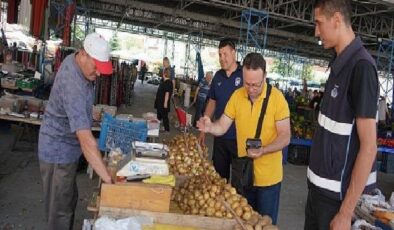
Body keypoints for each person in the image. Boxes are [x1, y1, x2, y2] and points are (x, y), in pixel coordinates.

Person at [305, 1, 379, 229]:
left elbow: (369, 146)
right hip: (318, 194)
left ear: (337, 19)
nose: (316, 32)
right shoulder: (339, 64)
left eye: (319, 23)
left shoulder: (362, 68)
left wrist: (346, 213)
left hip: (337, 202)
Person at [198, 53, 290, 224]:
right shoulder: (237, 96)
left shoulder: (278, 99)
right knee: (243, 223)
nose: (251, 88)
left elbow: (285, 136)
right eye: (247, 83)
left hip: (268, 180)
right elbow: (223, 126)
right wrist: (210, 127)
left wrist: (264, 150)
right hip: (244, 175)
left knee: (265, 225)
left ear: (265, 76)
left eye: (256, 84)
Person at [38, 33, 113, 230]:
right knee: (59, 211)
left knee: (68, 200)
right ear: (83, 54)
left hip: (67, 150)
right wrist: (107, 179)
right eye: (96, 66)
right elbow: (86, 140)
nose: (98, 73)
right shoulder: (73, 83)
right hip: (57, 152)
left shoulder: (78, 64)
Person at [199, 39, 243, 181]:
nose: (222, 58)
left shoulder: (244, 75)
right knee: (219, 179)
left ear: (233, 53)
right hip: (220, 137)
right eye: (220, 55)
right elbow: (212, 101)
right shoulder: (218, 76)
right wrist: (204, 127)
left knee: (239, 183)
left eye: (225, 54)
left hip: (240, 138)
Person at [155, 68, 173, 132]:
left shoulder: (168, 83)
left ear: (165, 74)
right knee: (159, 115)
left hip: (163, 103)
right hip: (160, 102)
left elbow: (167, 93)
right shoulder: (165, 81)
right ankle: (157, 126)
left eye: (163, 72)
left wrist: (165, 103)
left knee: (164, 116)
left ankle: (167, 129)